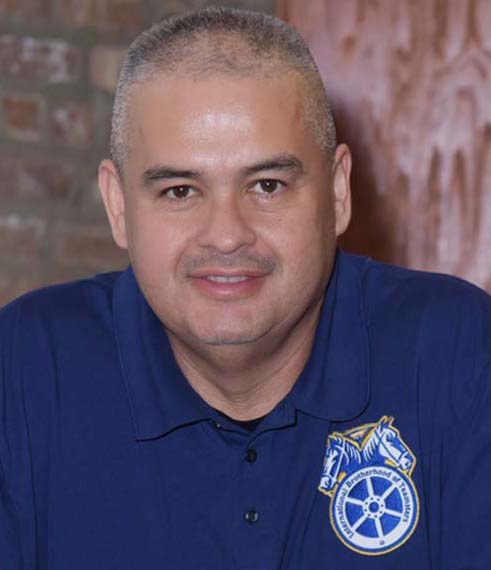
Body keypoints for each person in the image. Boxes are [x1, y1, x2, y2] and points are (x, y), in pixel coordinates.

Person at [1, 6, 490, 569]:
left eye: (267, 185)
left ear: (337, 193)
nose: (227, 235)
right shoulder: (27, 367)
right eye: (180, 191)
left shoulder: (457, 351)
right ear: (118, 206)